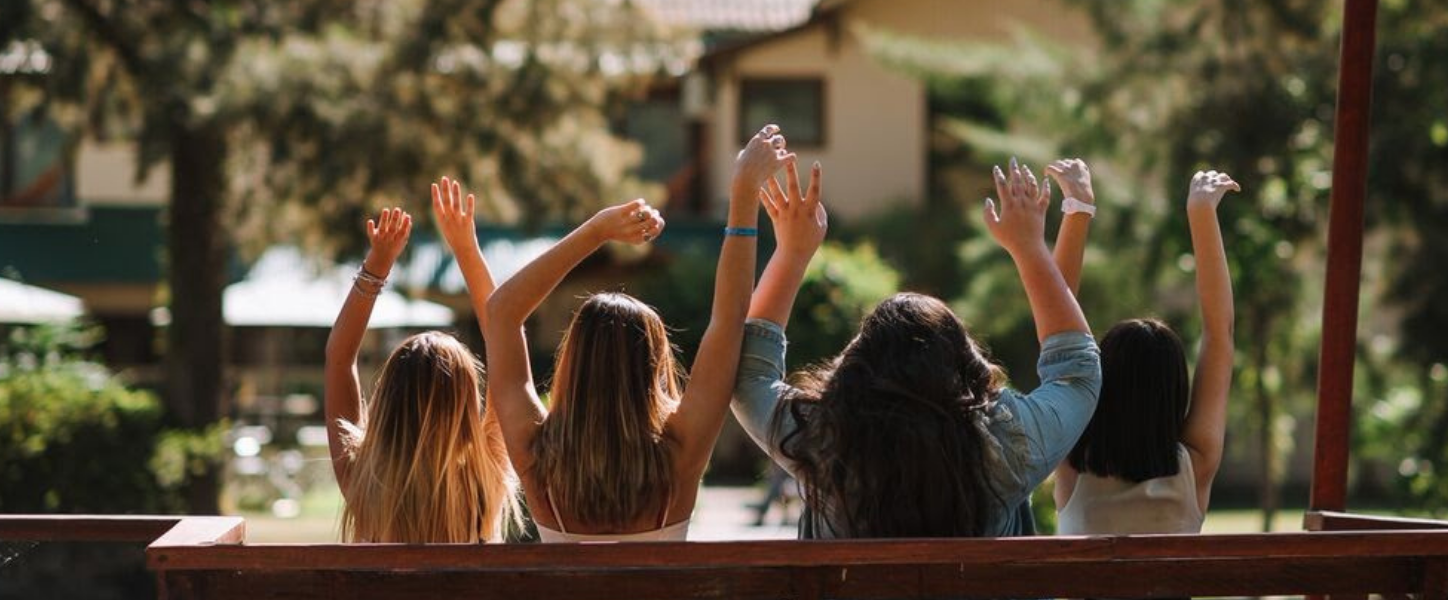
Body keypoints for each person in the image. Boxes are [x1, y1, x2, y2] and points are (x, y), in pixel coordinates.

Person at [733, 157, 1099, 538]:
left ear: (855, 365)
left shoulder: (823, 438)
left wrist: (791, 253)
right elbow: (1077, 372)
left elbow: (749, 377)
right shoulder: (1009, 444)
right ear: (965, 363)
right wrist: (1030, 248)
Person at [481, 125, 795, 542]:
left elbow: (501, 313)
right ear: (653, 364)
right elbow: (728, 320)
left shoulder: (536, 455)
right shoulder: (680, 449)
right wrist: (743, 195)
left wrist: (596, 231)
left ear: (572, 363)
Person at [1047, 160, 1240, 535]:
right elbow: (1221, 334)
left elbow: (1055, 327)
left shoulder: (1071, 461)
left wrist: (1078, 207)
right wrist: (1202, 212)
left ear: (1103, 384)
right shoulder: (1195, 466)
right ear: (1175, 390)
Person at [323, 205, 517, 543]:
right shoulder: (485, 478)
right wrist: (466, 249)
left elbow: (339, 360)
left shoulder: (365, 480)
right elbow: (506, 341)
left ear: (388, 400)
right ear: (465, 404)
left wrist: (378, 264)